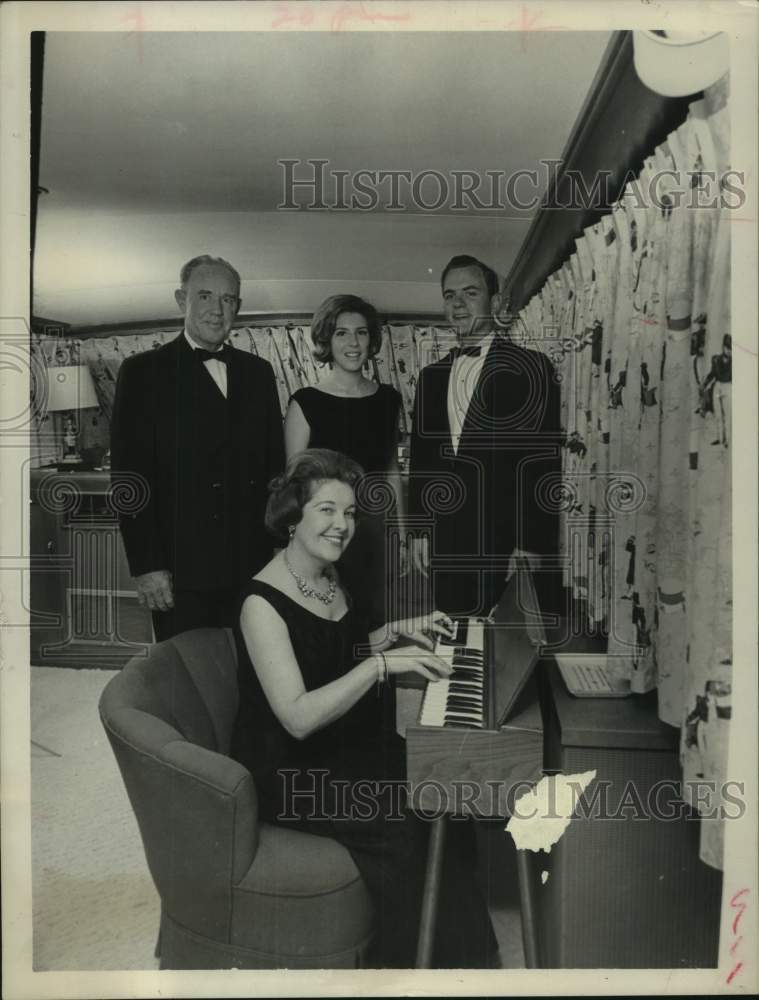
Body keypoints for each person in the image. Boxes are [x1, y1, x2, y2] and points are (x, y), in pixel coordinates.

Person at [230, 449, 498, 968]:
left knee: (441, 785)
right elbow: (298, 715)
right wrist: (382, 667)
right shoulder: (260, 603)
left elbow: (331, 649)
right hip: (291, 769)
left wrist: (395, 632)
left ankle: (458, 960)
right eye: (326, 510)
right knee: (403, 821)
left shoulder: (328, 574)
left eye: (350, 513)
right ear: (292, 517)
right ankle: (398, 970)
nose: (342, 525)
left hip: (346, 744)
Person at [110, 254, 284, 641]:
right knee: (189, 682)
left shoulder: (259, 373)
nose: (217, 310)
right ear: (180, 299)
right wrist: (147, 565)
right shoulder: (141, 373)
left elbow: (275, 468)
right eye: (205, 296)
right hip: (178, 568)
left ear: (237, 307)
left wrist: (278, 546)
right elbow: (128, 477)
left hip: (251, 561)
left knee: (254, 671)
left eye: (228, 299)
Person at [408, 255, 561, 618]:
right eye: (449, 295)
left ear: (494, 302)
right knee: (457, 637)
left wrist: (531, 543)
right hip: (447, 540)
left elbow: (543, 463)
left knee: (510, 652)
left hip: (508, 541)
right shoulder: (430, 376)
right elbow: (423, 461)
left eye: (470, 292)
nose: (457, 303)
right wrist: (418, 531)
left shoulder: (533, 368)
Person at [284, 294, 404, 624]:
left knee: (379, 621)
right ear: (326, 340)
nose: (353, 342)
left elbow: (391, 469)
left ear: (372, 339)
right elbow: (295, 484)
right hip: (325, 532)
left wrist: (402, 535)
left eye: (361, 332)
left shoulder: (389, 399)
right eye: (341, 333)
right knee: (332, 623)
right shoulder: (305, 402)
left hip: (377, 534)